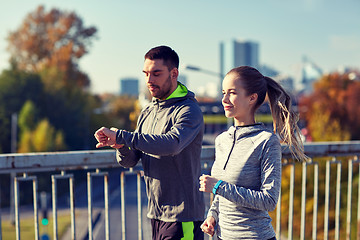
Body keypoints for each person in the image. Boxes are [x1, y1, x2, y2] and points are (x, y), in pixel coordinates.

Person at [94, 45, 205, 240]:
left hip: (183, 216)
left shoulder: (189, 110)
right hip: (156, 214)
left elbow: (172, 144)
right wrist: (120, 146)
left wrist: (121, 135)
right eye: (146, 74)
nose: (149, 80)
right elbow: (130, 160)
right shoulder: (148, 112)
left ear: (174, 73)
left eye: (156, 73)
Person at [199, 66, 307, 239]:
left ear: (252, 98)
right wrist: (212, 216)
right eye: (223, 92)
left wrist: (219, 186)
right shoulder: (221, 141)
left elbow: (269, 200)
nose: (224, 99)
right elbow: (220, 195)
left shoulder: (266, 141)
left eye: (232, 93)